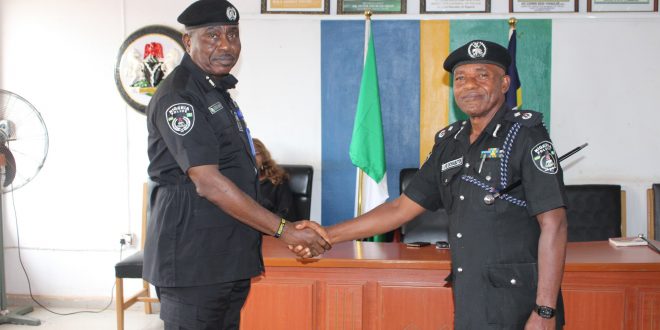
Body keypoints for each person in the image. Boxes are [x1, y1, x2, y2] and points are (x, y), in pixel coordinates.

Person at [297, 40, 568, 329]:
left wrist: (545, 311)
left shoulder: (527, 136)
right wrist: (328, 235)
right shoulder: (449, 144)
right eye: (460, 78)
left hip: (519, 303)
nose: (469, 85)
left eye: (482, 75)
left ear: (504, 84)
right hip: (470, 296)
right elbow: (400, 209)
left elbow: (555, 224)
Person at [142, 1, 330, 329]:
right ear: (188, 42)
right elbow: (208, 182)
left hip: (225, 258)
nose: (226, 45)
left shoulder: (216, 92)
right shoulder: (181, 96)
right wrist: (284, 229)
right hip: (194, 262)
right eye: (212, 36)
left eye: (232, 34)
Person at [253, 138, 299, 221]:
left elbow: (286, 213)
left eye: (256, 153)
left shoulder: (278, 180)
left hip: (270, 229)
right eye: (248, 154)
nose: (252, 158)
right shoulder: (238, 181)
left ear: (264, 157)